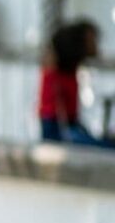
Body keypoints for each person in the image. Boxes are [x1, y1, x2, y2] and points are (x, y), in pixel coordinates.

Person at [38, 19, 112, 148]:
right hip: (56, 128)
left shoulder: (72, 68)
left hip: (69, 125)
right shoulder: (54, 69)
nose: (95, 44)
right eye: (91, 41)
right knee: (105, 147)